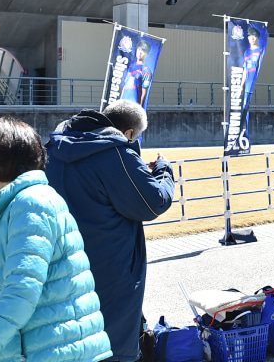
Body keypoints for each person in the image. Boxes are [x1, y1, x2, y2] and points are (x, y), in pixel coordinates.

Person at [0, 119, 111, 362]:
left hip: (54, 352)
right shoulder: (26, 201)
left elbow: (19, 297)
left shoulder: (29, 205)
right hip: (52, 348)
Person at [46, 101, 176, 362]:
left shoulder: (53, 148)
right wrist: (164, 170)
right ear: (129, 133)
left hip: (63, 262)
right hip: (109, 264)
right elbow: (154, 202)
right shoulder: (116, 154)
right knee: (112, 344)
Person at [120, 39, 154, 107]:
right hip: (124, 103)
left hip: (134, 105)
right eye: (139, 50)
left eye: (143, 51)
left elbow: (144, 91)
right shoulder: (131, 66)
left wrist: (140, 107)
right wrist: (120, 101)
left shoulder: (146, 70)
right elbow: (125, 86)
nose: (140, 53)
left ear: (147, 54)